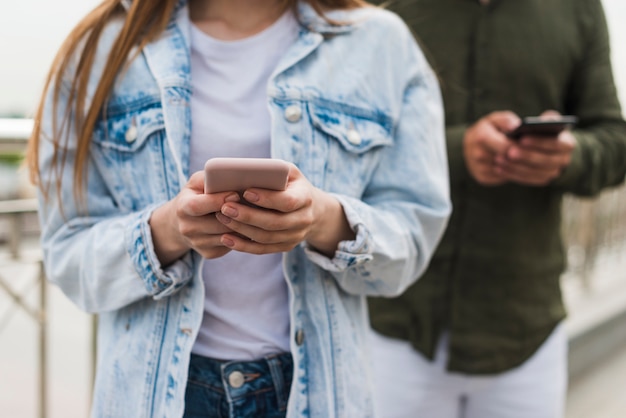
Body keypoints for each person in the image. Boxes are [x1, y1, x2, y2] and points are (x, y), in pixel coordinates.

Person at [26, 0, 451, 417]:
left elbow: (411, 242)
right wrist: (167, 232)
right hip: (155, 396)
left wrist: (322, 219)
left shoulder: (380, 42)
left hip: (318, 393)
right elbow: (68, 253)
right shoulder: (102, 47)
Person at [367, 0, 626, 417]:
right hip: (393, 320)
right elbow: (346, 139)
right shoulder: (384, 7)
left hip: (526, 332)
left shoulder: (579, 8)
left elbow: (614, 142)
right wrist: (454, 152)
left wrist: (568, 157)